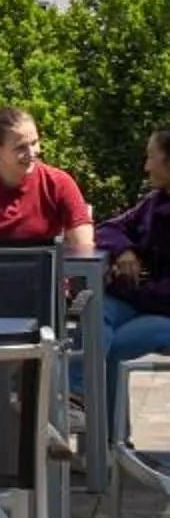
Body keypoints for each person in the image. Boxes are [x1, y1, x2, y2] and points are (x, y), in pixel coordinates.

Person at [0, 106, 93, 249]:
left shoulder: (58, 184)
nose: (32, 153)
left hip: (43, 278)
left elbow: (84, 250)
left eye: (34, 143)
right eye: (21, 147)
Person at [96, 130, 170, 423]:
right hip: (139, 300)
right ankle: (76, 390)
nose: (146, 166)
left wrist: (124, 287)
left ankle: (112, 443)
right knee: (95, 312)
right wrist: (124, 251)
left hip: (160, 308)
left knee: (110, 347)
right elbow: (108, 228)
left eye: (151, 157)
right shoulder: (154, 202)